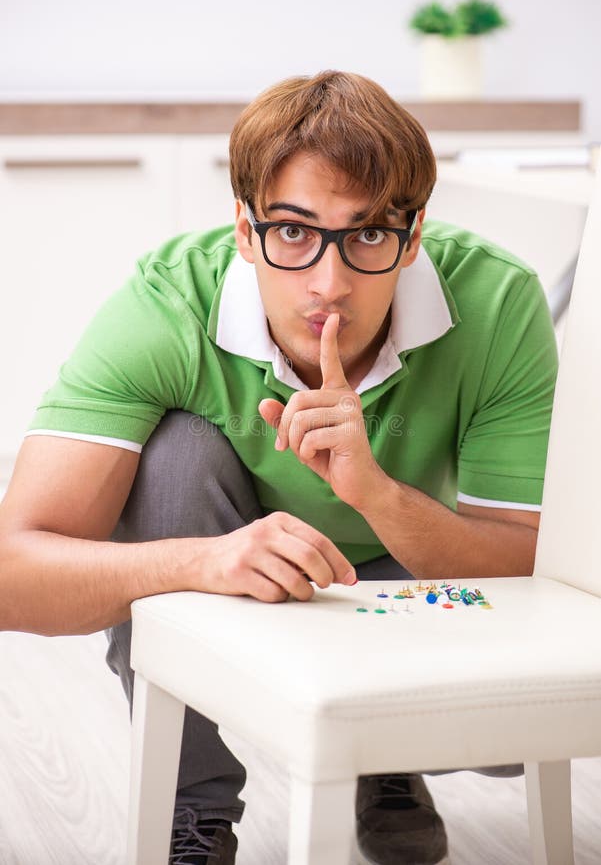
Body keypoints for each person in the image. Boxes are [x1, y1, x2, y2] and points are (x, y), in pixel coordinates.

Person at [0, 71, 558, 865]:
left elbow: (534, 573)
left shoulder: (496, 300)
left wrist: (371, 491)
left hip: (414, 576)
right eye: (293, 232)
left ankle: (385, 756)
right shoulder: (166, 307)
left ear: (414, 234)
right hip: (238, 556)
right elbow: (12, 574)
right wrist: (201, 562)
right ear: (242, 228)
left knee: (511, 733)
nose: (328, 283)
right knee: (171, 455)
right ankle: (189, 809)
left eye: (367, 234)